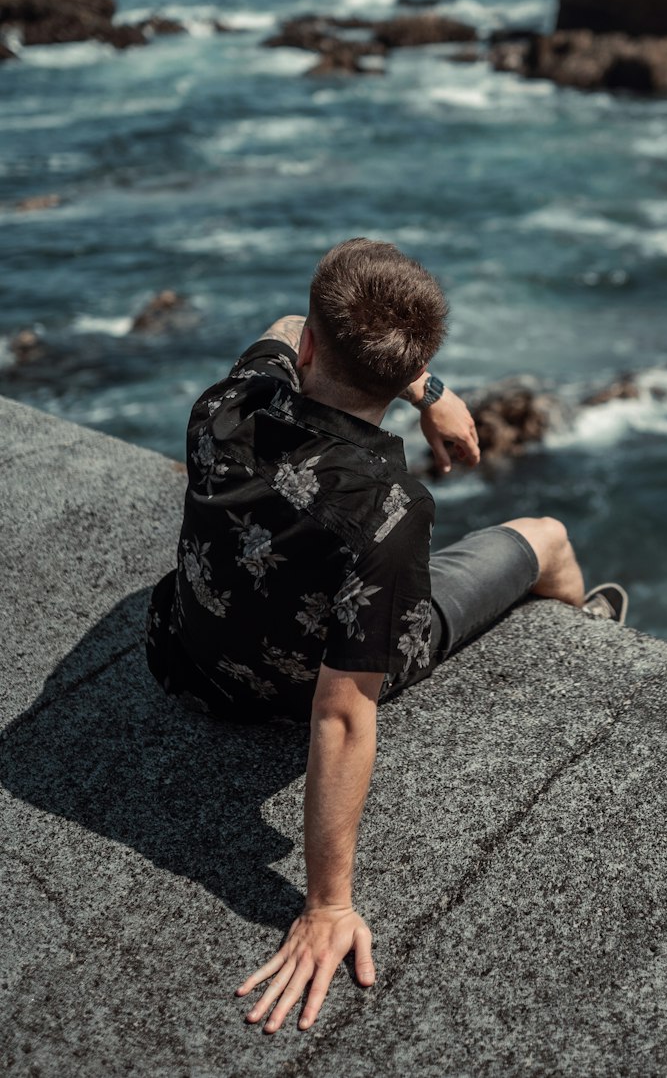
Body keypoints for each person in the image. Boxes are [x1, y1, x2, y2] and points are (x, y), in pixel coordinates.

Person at [145, 236, 628, 1035]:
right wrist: (327, 905)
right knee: (547, 534)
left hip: (182, 659)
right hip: (296, 694)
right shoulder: (390, 510)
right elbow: (340, 715)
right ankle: (590, 641)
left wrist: (417, 384)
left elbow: (287, 316)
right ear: (410, 363)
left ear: (305, 347)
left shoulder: (226, 404)